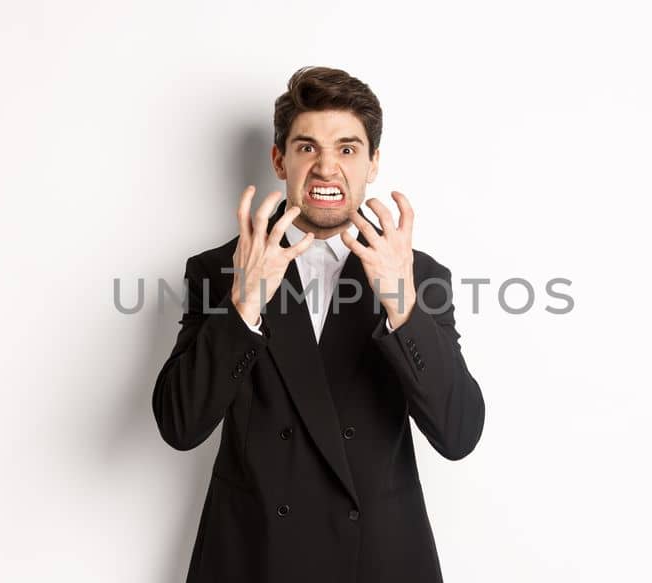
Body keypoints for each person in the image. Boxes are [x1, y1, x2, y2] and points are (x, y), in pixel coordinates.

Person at [152, 66, 486, 583]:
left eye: (348, 149)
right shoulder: (219, 270)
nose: (327, 167)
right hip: (254, 556)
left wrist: (402, 304)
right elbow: (180, 425)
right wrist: (244, 303)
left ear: (374, 163)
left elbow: (459, 433)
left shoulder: (418, 274)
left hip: (377, 559)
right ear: (280, 159)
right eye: (307, 148)